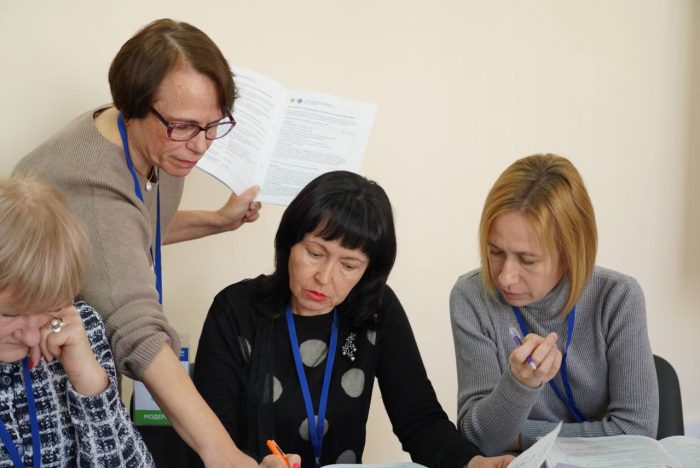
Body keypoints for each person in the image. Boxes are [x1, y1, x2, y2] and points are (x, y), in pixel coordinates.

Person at [13, 19, 265, 466]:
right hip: (40, 381)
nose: (201, 145)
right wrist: (223, 453)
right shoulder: (90, 185)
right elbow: (137, 331)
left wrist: (217, 222)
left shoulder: (151, 142)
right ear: (132, 107)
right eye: (185, 126)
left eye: (213, 125)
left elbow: (127, 232)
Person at [193, 170, 513, 468]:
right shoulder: (236, 309)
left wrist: (474, 463)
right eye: (315, 253)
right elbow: (209, 435)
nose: (323, 277)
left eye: (348, 265)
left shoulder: (376, 309)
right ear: (289, 243)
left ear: (368, 271)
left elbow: (419, 420)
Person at [450, 154, 658, 456]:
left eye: (527, 260)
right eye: (495, 252)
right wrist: (519, 383)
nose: (505, 277)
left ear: (570, 253)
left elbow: (636, 432)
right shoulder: (472, 297)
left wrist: (521, 437)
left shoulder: (618, 297)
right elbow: (480, 438)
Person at [0, 177, 154, 466]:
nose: (32, 338)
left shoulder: (79, 328)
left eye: (50, 307)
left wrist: (89, 380)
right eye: (9, 314)